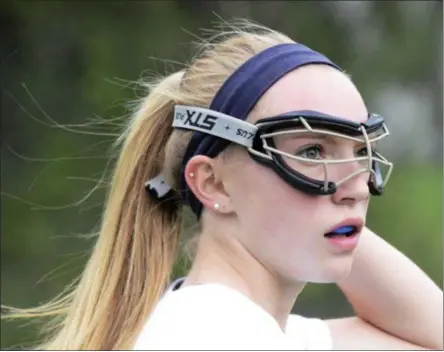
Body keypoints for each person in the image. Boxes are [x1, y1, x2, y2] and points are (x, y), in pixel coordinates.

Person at [2, 19, 442, 351]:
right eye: (311, 152)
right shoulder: (212, 334)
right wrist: (333, 210)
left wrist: (335, 207)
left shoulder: (256, 329)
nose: (359, 188)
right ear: (213, 184)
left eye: (359, 152)